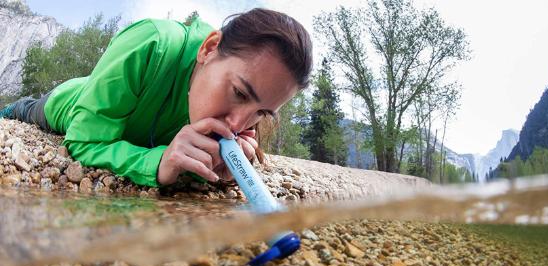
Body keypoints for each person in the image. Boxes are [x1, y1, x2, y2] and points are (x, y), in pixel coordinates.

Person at [0, 8, 313, 187]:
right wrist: (157, 162)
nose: (236, 125)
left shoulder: (237, 122)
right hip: (68, 102)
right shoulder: (151, 42)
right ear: (208, 49)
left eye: (262, 113)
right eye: (239, 92)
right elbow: (82, 143)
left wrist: (223, 170)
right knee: (28, 110)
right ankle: (14, 107)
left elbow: (191, 160)